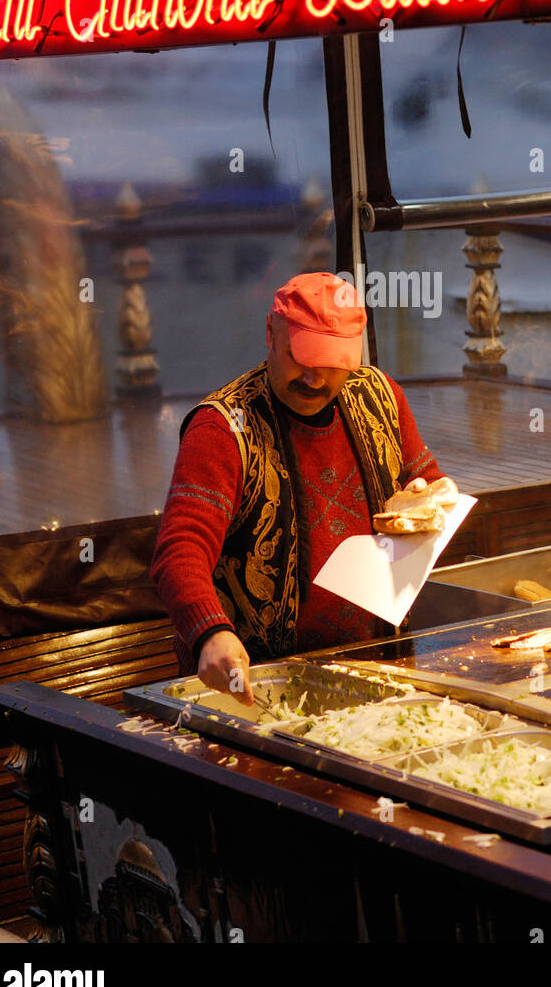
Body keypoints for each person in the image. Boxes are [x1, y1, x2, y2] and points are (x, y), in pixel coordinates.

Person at [150, 272, 443, 703]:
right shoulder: (224, 428)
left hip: (381, 669)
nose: (314, 380)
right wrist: (208, 633)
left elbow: (429, 484)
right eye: (300, 358)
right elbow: (180, 549)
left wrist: (433, 498)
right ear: (270, 334)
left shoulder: (381, 395)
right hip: (260, 686)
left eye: (332, 365)